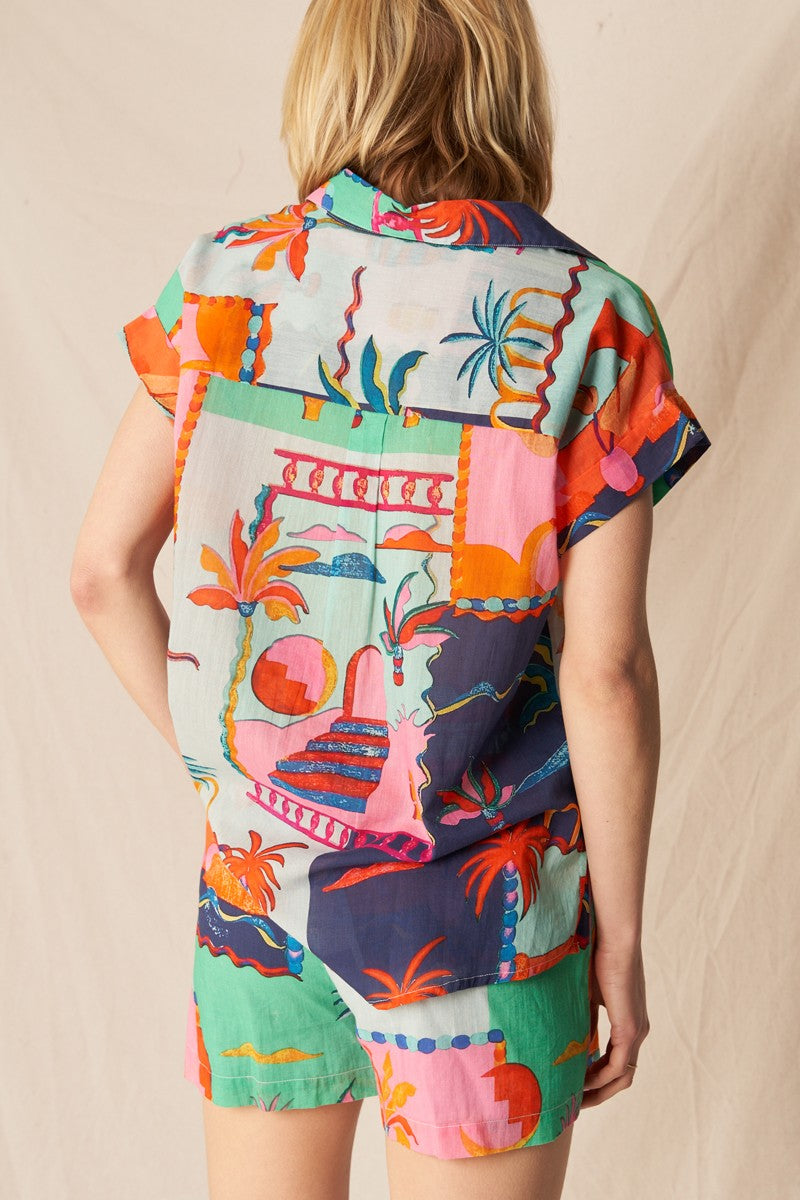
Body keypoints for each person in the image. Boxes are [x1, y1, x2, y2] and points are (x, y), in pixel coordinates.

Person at [70, 1, 712, 1197]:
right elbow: (604, 673)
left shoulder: (221, 284)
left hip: (258, 904)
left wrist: (235, 778)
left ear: (330, 79)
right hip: (482, 918)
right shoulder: (589, 320)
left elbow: (101, 573)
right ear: (508, 82)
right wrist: (619, 945)